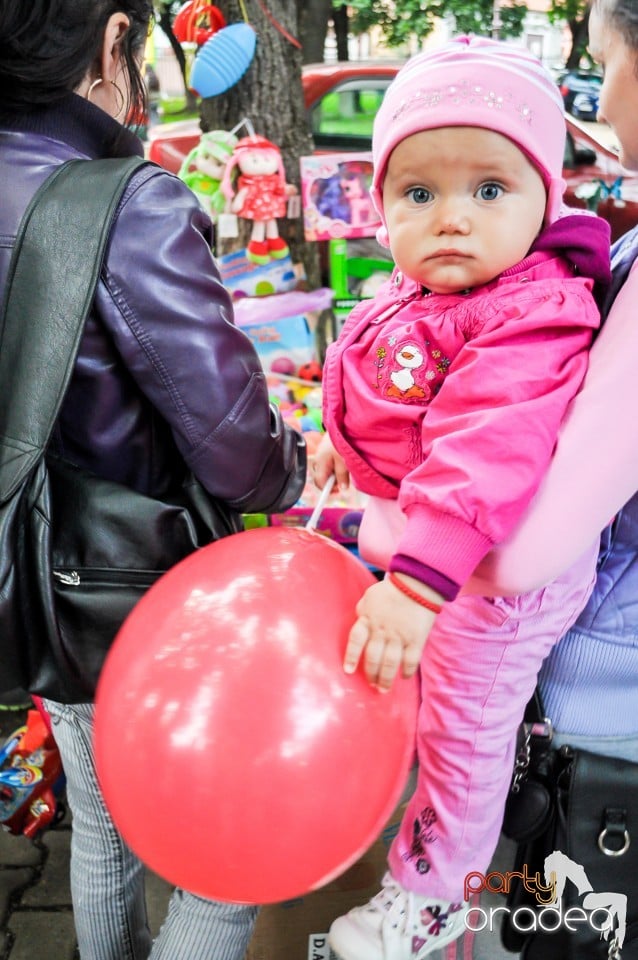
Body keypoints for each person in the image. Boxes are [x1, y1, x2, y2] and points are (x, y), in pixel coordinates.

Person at [0, 3, 306, 960]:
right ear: (111, 41)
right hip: (134, 594)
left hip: (29, 584)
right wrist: (293, 458)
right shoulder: (119, 199)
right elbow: (235, 449)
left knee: (103, 819)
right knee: (234, 854)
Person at [312, 36, 612, 960]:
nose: (452, 219)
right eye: (419, 193)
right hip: (441, 563)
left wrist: (413, 588)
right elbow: (385, 384)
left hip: (484, 584)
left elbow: (483, 453)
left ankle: (433, 900)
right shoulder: (415, 293)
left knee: (462, 735)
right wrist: (340, 440)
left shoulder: (533, 312)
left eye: (490, 190)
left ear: (544, 200)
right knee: (433, 716)